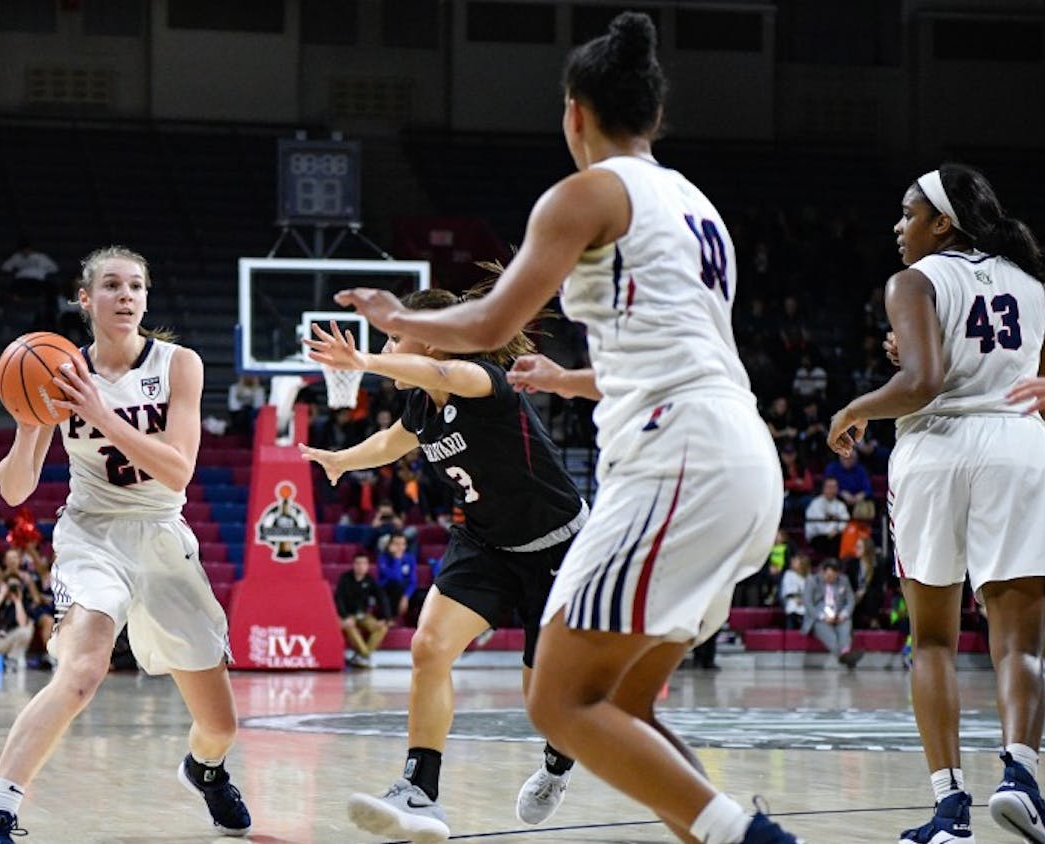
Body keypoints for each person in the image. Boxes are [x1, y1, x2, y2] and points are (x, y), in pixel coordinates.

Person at [338, 15, 796, 844]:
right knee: (622, 707)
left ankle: (761, 842)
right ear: (653, 116)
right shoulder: (697, 204)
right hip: (739, 452)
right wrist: (570, 379)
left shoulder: (586, 192)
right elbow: (680, 350)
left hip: (677, 457)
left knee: (557, 699)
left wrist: (394, 315)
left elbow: (488, 322)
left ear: (574, 113)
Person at [0, 246, 250, 843]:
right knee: (83, 669)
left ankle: (206, 769)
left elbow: (178, 471)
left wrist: (101, 411)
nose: (126, 296)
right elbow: (15, 490)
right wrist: (28, 416)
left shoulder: (178, 365)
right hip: (92, 535)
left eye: (136, 286)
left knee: (220, 725)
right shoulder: (58, 371)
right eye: (112, 286)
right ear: (85, 300)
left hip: (163, 537)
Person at [825, 163, 1045, 844]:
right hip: (1019, 447)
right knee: (1018, 644)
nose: (898, 227)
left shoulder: (914, 281)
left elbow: (923, 382)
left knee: (932, 640)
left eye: (909, 214)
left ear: (943, 221)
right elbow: (1044, 389)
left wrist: (854, 408)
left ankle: (949, 810)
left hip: (935, 451)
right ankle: (1019, 777)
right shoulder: (1037, 281)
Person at [301, 287, 592, 841]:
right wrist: (342, 459)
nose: (387, 347)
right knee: (428, 648)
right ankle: (420, 791)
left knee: (545, 703)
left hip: (561, 546)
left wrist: (362, 360)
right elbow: (393, 440)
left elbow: (447, 377)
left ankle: (557, 763)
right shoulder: (418, 405)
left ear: (432, 340)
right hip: (486, 545)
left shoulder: (480, 380)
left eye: (395, 335)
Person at [332, 551, 391, 668]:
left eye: (364, 563)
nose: (361, 566)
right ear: (353, 565)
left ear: (368, 565)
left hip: (363, 615)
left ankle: (361, 656)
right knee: (349, 626)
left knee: (382, 627)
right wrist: (345, 617)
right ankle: (365, 655)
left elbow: (382, 598)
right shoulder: (345, 579)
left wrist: (385, 617)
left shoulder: (370, 580)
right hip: (347, 615)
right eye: (358, 563)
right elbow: (338, 599)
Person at [801, 560, 864, 668]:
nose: (831, 578)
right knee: (825, 631)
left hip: (838, 615)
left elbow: (850, 600)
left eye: (833, 576)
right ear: (823, 572)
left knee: (846, 624)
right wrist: (822, 617)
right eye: (828, 575)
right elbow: (808, 604)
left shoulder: (844, 580)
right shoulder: (812, 580)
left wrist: (843, 614)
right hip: (819, 617)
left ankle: (845, 652)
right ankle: (845, 656)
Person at [375, 531, 419, 622]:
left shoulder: (410, 558)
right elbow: (396, 578)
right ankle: (390, 619)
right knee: (396, 585)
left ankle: (417, 624)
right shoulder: (382, 559)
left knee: (423, 596)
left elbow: (413, 582)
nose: (400, 547)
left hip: (404, 593)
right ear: (390, 545)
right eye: (396, 544)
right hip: (388, 592)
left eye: (403, 544)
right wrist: (397, 559)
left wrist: (406, 597)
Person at [803, 478, 848, 560]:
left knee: (840, 539)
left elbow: (845, 521)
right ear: (823, 488)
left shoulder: (841, 505)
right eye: (829, 487)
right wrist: (832, 530)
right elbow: (819, 526)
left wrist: (837, 529)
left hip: (835, 535)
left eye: (834, 487)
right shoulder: (816, 504)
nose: (832, 490)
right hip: (817, 537)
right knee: (830, 541)